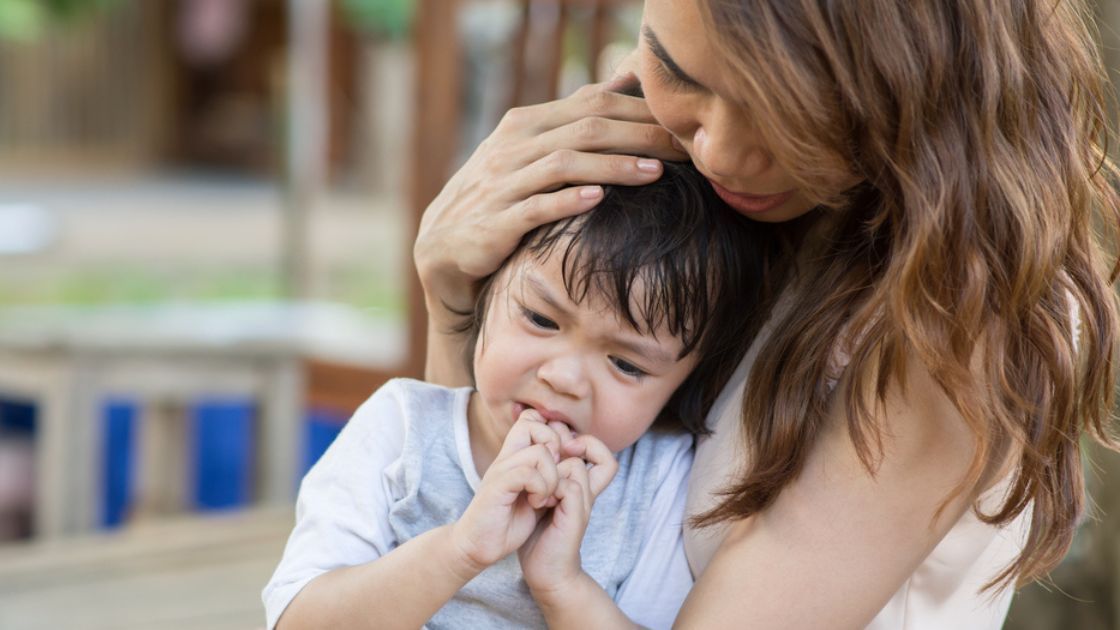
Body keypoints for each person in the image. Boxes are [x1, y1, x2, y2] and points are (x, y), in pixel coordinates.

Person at [412, 0, 1120, 628]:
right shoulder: (681, 182)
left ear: (914, 83)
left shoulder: (959, 316)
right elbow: (457, 548)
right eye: (676, 71)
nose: (717, 149)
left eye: (785, 111)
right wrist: (454, 306)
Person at [263, 162, 774, 629]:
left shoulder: (658, 480)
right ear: (486, 289)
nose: (565, 378)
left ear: (682, 384)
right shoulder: (403, 428)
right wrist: (461, 550)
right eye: (540, 319)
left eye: (626, 363)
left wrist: (562, 585)